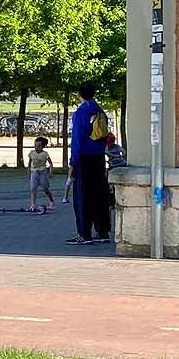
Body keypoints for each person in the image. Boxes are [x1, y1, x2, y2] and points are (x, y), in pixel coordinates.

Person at [67, 83, 110, 245]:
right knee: (100, 195)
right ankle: (103, 231)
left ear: (79, 95)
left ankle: (84, 233)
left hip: (84, 159)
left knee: (83, 197)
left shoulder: (80, 113)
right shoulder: (101, 112)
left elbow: (77, 140)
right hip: (98, 158)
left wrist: (72, 163)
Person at [26, 136, 56, 212]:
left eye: (39, 146)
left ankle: (51, 201)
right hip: (34, 173)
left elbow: (51, 164)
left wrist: (50, 172)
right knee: (33, 189)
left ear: (43, 146)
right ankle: (33, 205)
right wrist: (29, 172)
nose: (36, 147)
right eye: (35, 145)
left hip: (42, 173)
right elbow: (29, 164)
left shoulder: (45, 154)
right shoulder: (32, 153)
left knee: (45, 189)